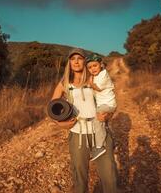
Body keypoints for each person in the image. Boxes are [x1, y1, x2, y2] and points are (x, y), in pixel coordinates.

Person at [50, 48, 118, 193]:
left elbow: (111, 102)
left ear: (84, 61)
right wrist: (60, 123)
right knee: (79, 179)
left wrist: (108, 115)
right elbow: (52, 108)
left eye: (79, 58)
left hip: (100, 131)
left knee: (110, 176)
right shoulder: (64, 83)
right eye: (72, 58)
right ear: (69, 62)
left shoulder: (95, 79)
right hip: (77, 133)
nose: (76, 61)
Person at [86, 53, 117, 161]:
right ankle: (112, 142)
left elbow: (98, 88)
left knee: (97, 120)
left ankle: (99, 146)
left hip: (107, 104)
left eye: (95, 66)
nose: (92, 69)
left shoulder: (103, 74)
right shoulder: (96, 75)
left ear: (101, 64)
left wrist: (90, 82)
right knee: (105, 124)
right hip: (105, 104)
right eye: (89, 67)